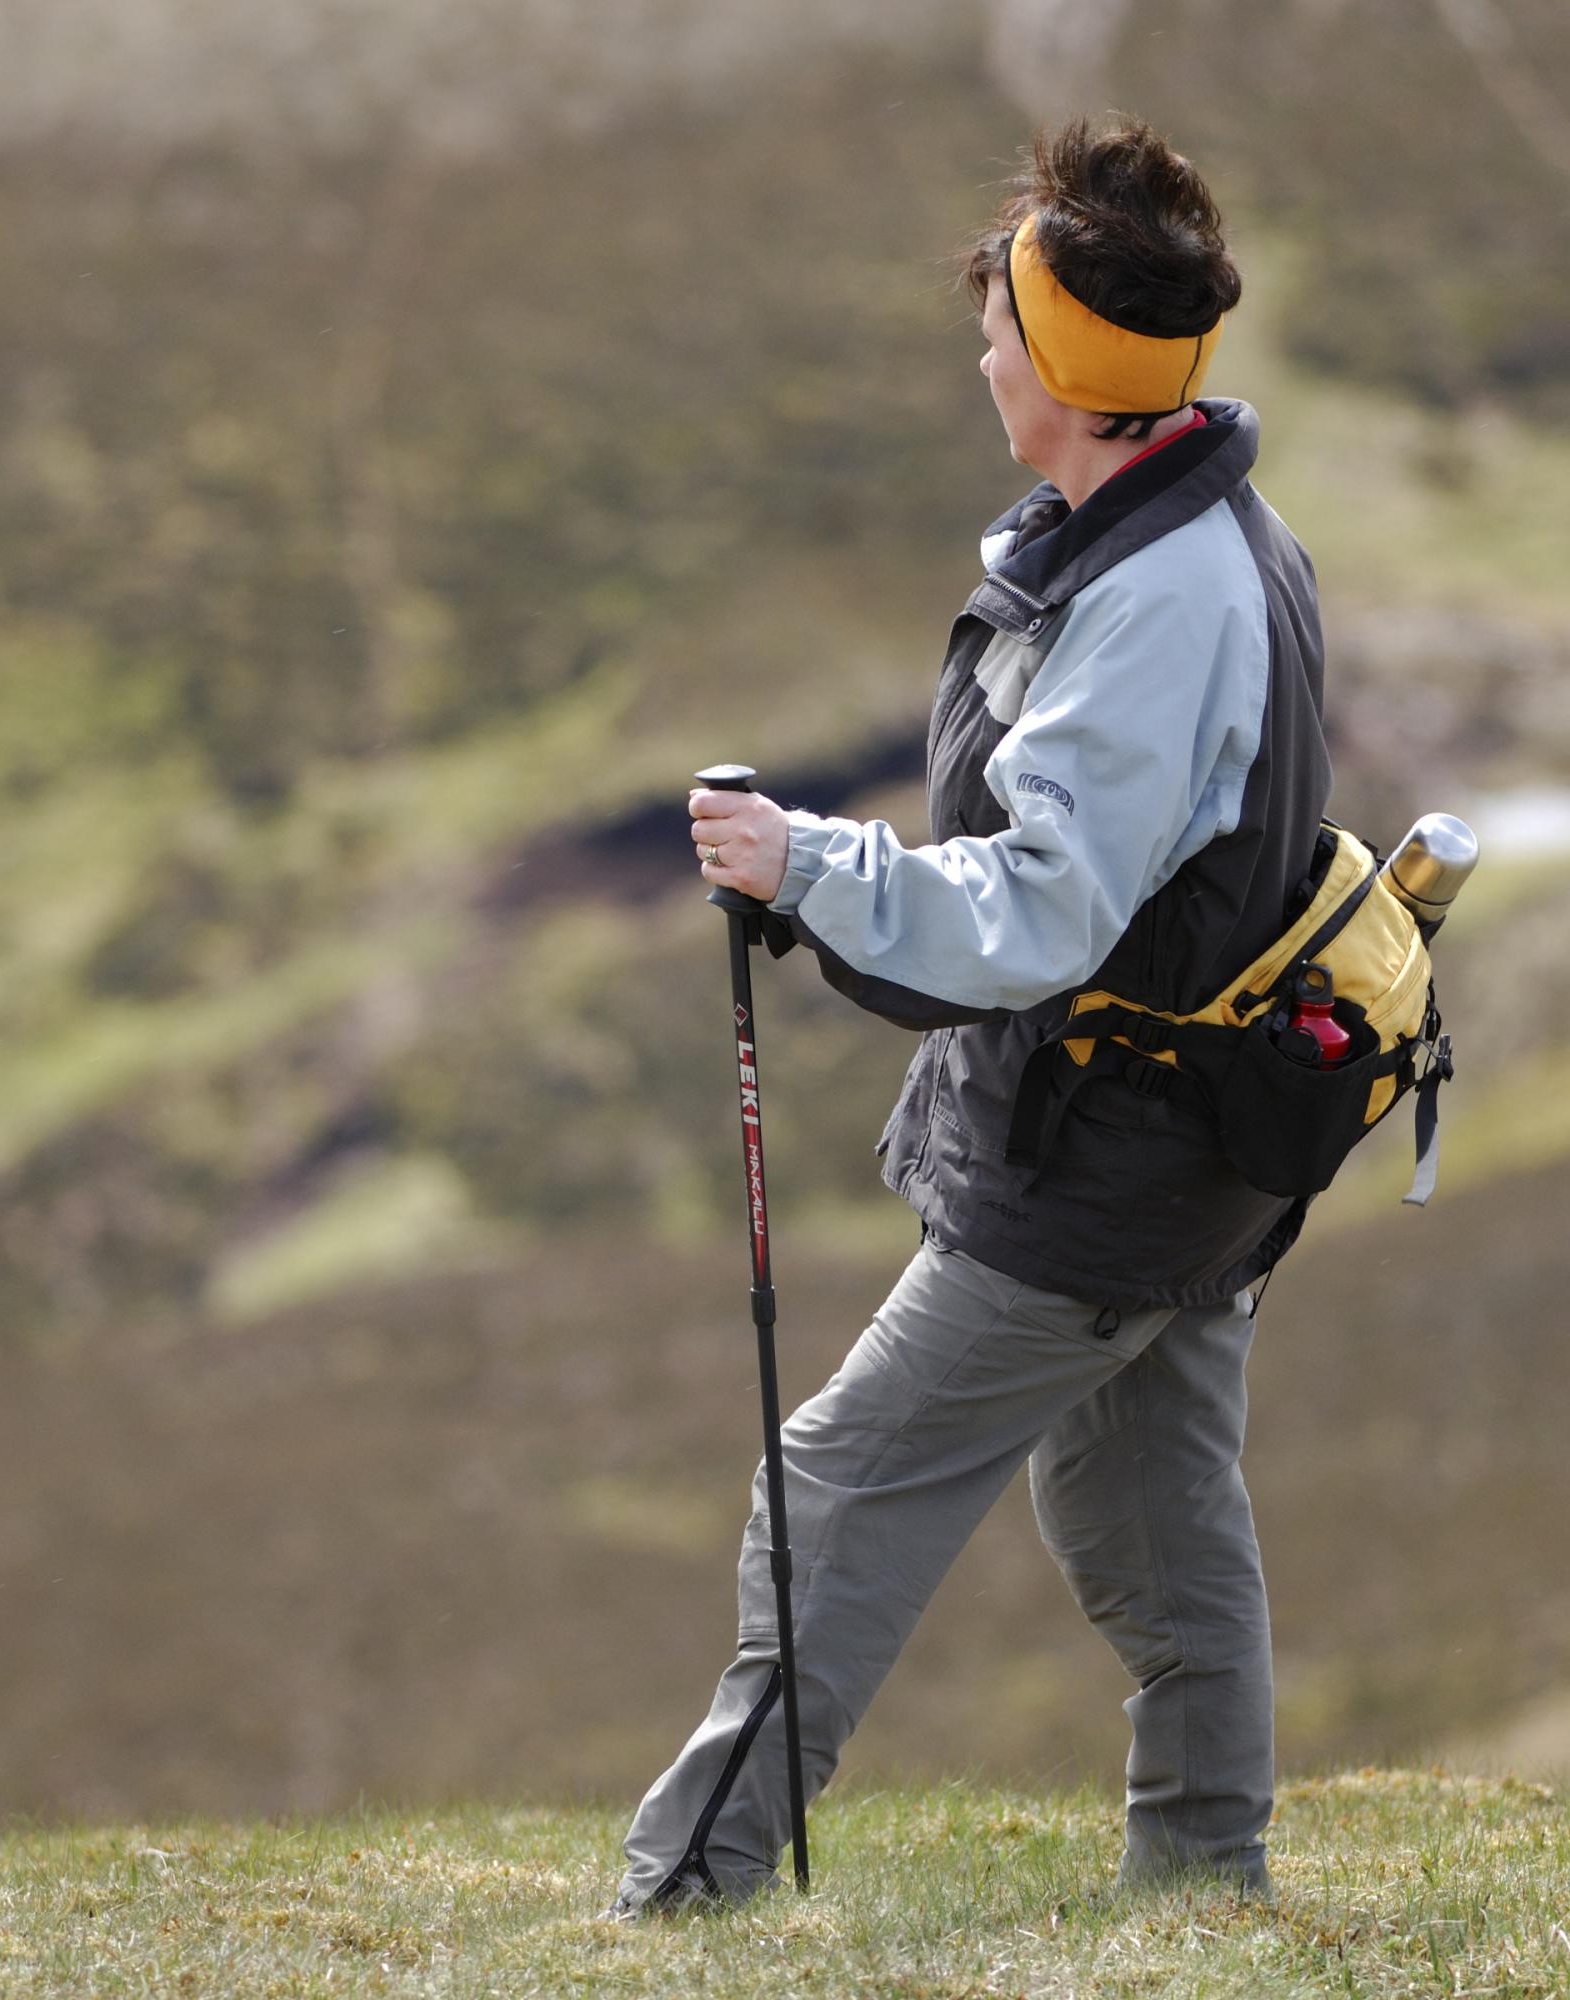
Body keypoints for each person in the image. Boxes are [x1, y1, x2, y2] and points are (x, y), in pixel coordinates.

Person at [610, 116, 1330, 1915]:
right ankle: (1202, 1890)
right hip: (1191, 1145)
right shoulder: (1181, 530)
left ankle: (687, 1895)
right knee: (1153, 1520)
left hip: (1109, 1161)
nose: (982, 350)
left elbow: (1038, 911)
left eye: (1003, 323)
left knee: (835, 1488)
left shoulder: (1162, 599)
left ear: (1078, 373)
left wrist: (809, 867)